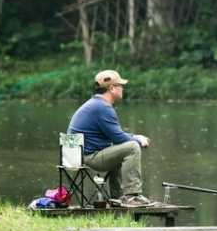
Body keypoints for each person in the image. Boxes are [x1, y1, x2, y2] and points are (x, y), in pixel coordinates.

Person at [67, 69, 156, 207]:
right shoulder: (103, 107)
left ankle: (119, 196)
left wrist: (134, 136)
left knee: (124, 148)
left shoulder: (96, 104)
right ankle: (132, 196)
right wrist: (138, 140)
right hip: (89, 157)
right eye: (120, 85)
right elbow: (119, 138)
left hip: (78, 156)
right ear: (112, 88)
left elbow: (115, 135)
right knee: (132, 148)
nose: (122, 88)